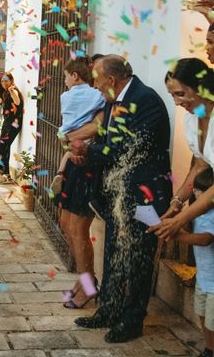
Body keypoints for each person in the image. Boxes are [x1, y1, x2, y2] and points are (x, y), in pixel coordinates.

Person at [71, 55, 171, 343]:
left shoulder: (146, 100)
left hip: (144, 194)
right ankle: (109, 310)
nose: (96, 87)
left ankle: (132, 320)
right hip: (117, 192)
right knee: (114, 250)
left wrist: (90, 153)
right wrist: (86, 152)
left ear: (111, 80)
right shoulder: (112, 99)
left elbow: (130, 148)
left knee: (137, 257)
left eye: (97, 81)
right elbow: (107, 141)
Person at [50, 58, 104, 309]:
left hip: (87, 163)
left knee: (78, 230)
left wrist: (70, 137)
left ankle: (88, 288)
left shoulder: (101, 98)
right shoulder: (91, 96)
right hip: (72, 161)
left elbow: (96, 126)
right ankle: (86, 279)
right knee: (66, 224)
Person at [150, 58, 214, 241]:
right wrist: (177, 201)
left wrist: (180, 220)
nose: (177, 103)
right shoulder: (191, 120)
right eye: (172, 96)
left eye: (180, 94)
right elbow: (199, 166)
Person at [174, 167, 214, 357]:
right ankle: (209, 348)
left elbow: (205, 239)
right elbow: (188, 227)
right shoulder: (196, 213)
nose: (196, 194)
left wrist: (180, 237)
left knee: (213, 320)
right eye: (196, 189)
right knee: (202, 314)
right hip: (203, 279)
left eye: (201, 191)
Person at [52, 58, 105, 193]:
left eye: (66, 77)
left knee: (69, 153)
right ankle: (62, 172)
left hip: (65, 133)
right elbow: (104, 103)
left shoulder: (64, 96)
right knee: (79, 153)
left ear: (75, 76)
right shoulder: (96, 94)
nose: (64, 81)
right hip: (86, 134)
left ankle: (59, 172)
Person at [0, 72, 23, 183]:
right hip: (7, 123)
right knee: (5, 147)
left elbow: (17, 102)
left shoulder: (14, 91)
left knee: (0, 146)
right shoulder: (5, 92)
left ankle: (4, 174)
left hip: (14, 124)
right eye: (2, 81)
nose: (4, 83)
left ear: (11, 81)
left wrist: (12, 91)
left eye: (6, 81)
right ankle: (5, 175)